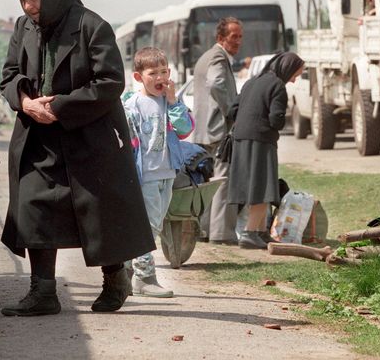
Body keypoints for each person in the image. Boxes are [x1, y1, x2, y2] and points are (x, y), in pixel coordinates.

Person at [0, 0, 155, 317]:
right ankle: (42, 292)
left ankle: (115, 279)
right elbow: (9, 74)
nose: (27, 7)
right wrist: (25, 101)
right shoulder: (24, 28)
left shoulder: (91, 26)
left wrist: (60, 107)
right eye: (22, 0)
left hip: (89, 135)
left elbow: (110, 82)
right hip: (38, 135)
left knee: (99, 212)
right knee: (34, 207)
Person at [124, 47, 194, 298]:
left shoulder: (171, 102)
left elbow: (185, 129)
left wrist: (175, 102)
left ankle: (124, 273)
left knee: (153, 224)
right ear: (138, 77)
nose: (160, 78)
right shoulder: (132, 105)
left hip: (168, 173)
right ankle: (143, 277)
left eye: (164, 71)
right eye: (153, 73)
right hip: (146, 176)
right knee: (149, 227)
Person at [228, 52, 305, 249]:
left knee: (254, 186)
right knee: (262, 188)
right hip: (261, 141)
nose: (295, 79)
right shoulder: (277, 86)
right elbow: (276, 120)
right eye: (295, 74)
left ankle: (260, 232)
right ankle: (250, 232)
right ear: (287, 69)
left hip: (241, 139)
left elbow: (232, 110)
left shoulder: (251, 82)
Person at [192, 17, 242, 245]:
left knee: (209, 183)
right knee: (223, 181)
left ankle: (204, 230)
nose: (239, 41)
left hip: (205, 130)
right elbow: (215, 84)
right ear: (221, 38)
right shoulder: (218, 57)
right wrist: (231, 110)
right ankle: (221, 234)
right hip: (218, 129)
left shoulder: (206, 57)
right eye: (234, 37)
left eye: (240, 36)